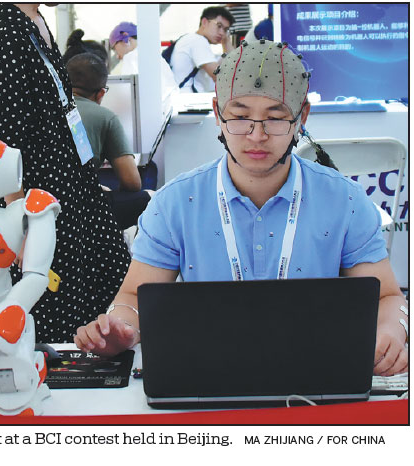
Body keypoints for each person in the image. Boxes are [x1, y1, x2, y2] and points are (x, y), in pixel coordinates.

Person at [75, 40, 409, 377]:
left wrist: (392, 332)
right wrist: (120, 328)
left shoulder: (344, 200)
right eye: (239, 116)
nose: (257, 135)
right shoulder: (175, 203)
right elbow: (134, 296)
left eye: (275, 118)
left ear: (302, 116)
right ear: (217, 111)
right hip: (209, 374)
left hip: (315, 374)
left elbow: (387, 297)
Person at [0, 3, 131, 342]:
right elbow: (7, 135)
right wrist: (20, 218)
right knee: (58, 301)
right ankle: (61, 369)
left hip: (71, 180)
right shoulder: (6, 31)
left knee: (106, 280)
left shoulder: (35, 21)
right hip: (41, 192)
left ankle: (103, 360)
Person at [66, 52, 153, 230]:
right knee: (150, 198)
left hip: (41, 206)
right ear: (101, 93)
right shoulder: (105, 117)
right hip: (82, 210)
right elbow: (132, 183)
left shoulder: (43, 110)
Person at [169, 6, 235, 93]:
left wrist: (226, 42)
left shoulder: (190, 38)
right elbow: (220, 76)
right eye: (219, 26)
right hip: (189, 98)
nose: (222, 33)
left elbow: (227, 66)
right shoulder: (197, 40)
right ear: (204, 22)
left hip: (185, 96)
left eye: (226, 30)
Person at [109, 21, 177, 99]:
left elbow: (126, 94)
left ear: (126, 39)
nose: (117, 56)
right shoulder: (151, 53)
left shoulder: (131, 57)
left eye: (114, 49)